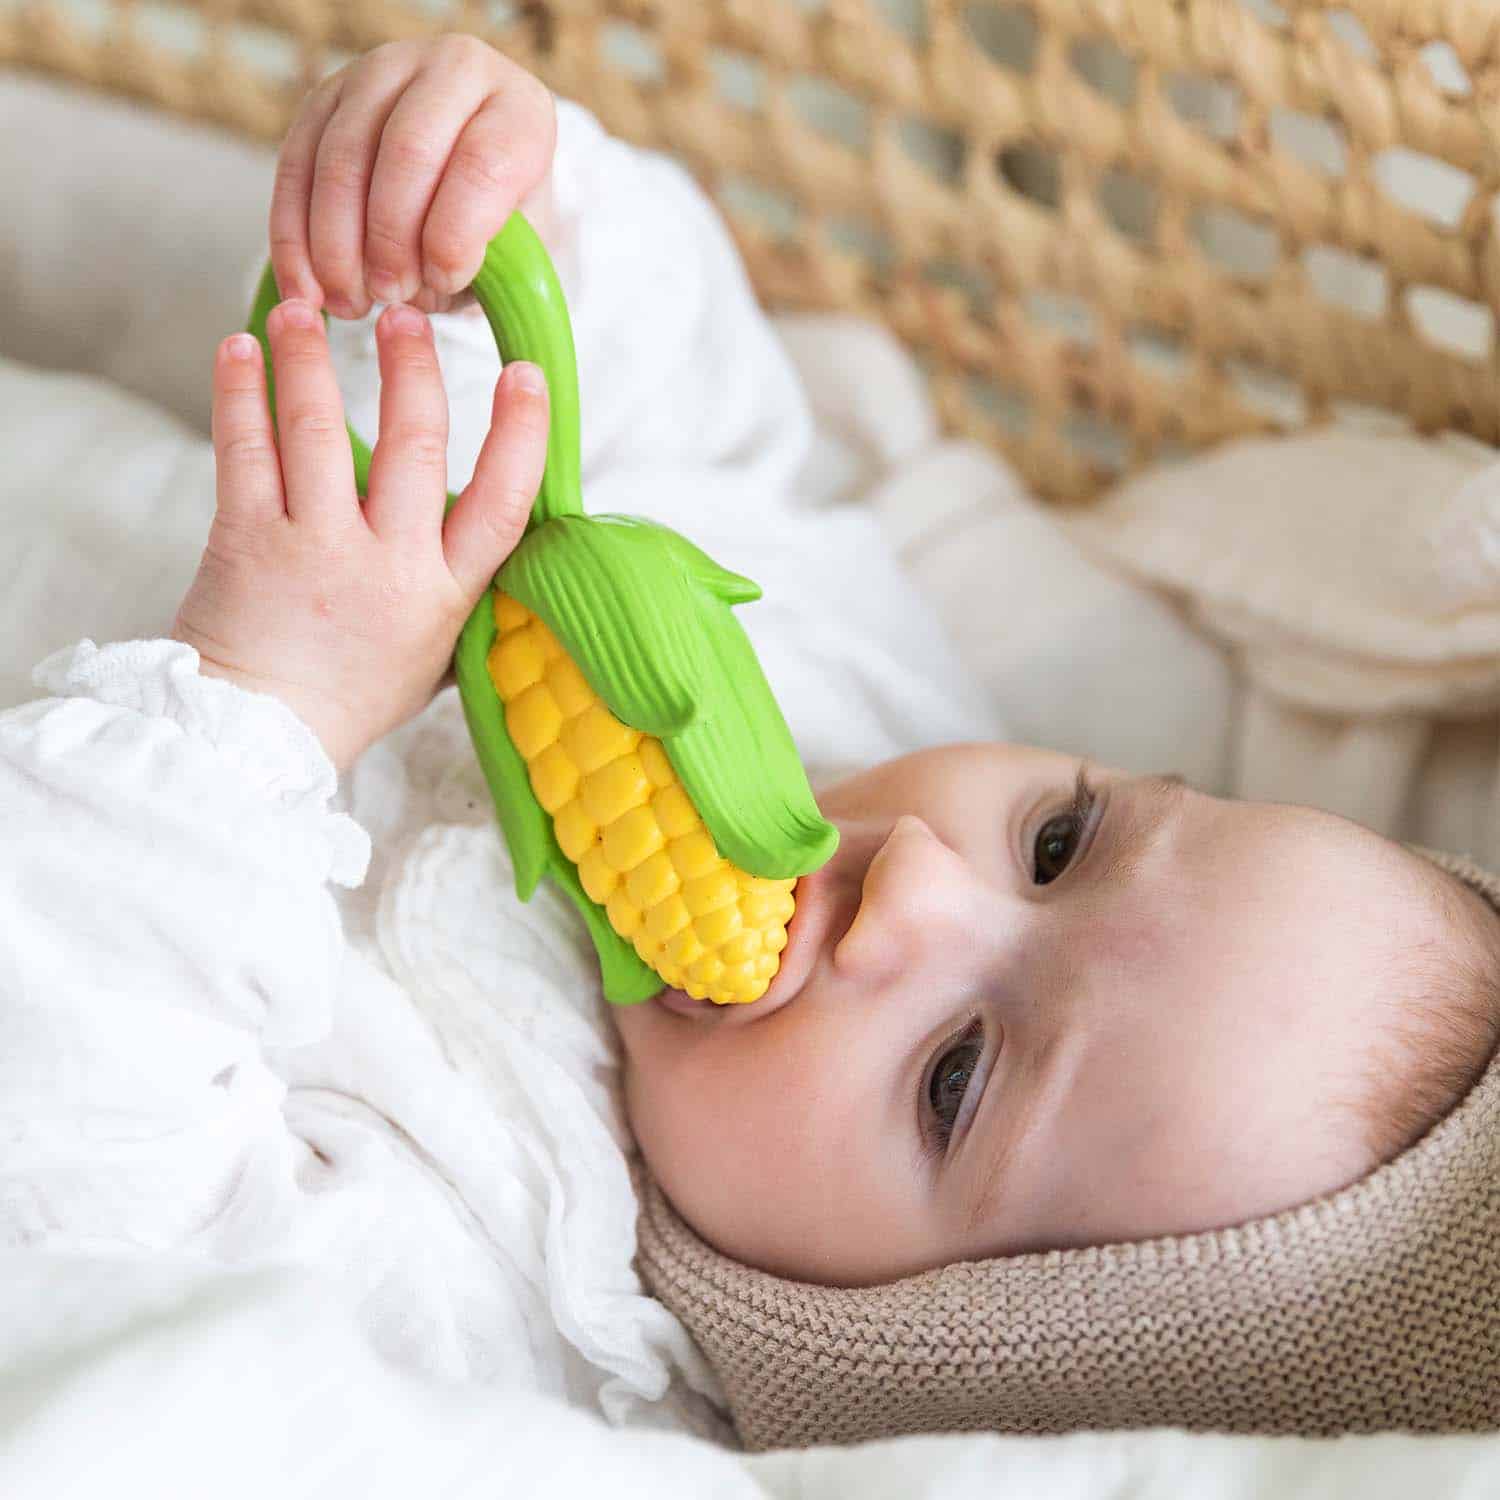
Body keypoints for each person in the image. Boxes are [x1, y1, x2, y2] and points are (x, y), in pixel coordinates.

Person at [6, 34, 1498, 1450]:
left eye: (956, 1079)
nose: (914, 878)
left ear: (890, 1354)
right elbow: (717, 428)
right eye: (1060, 843)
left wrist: (263, 702)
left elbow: (81, 1179)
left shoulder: (500, 1309)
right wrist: (507, 222)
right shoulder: (868, 698)